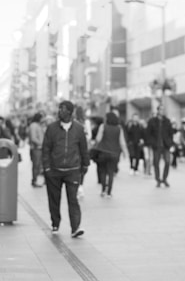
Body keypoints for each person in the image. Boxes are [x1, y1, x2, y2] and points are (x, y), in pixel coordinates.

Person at [42, 100, 90, 237]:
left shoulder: (79, 129)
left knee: (73, 200)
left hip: (72, 170)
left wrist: (85, 165)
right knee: (54, 199)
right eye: (59, 109)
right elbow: (46, 148)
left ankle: (75, 227)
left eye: (62, 109)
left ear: (70, 112)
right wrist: (46, 168)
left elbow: (83, 149)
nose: (59, 112)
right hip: (54, 170)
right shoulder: (51, 128)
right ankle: (55, 224)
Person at [95, 112, 129, 197]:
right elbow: (122, 142)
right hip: (114, 153)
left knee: (103, 171)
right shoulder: (119, 128)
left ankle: (103, 190)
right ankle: (109, 192)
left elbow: (98, 139)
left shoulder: (103, 126)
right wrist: (126, 153)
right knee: (110, 172)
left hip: (103, 151)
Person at [146, 104, 175, 187]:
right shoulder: (152, 121)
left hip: (166, 145)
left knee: (167, 162)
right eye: (161, 109)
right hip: (156, 145)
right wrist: (151, 142)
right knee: (156, 163)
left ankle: (164, 178)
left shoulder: (167, 121)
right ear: (158, 110)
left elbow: (171, 133)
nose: (162, 111)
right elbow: (148, 133)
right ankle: (158, 180)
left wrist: (170, 142)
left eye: (163, 109)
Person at [28, 112, 44, 187]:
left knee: (38, 165)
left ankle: (36, 180)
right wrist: (41, 143)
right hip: (36, 148)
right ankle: (34, 181)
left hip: (39, 148)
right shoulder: (34, 126)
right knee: (36, 165)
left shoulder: (37, 125)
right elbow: (33, 138)